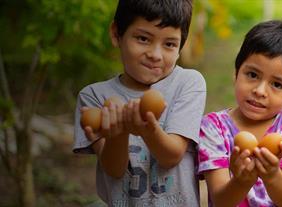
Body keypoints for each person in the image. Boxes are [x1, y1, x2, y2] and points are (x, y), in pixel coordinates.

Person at [72, 0, 206, 206]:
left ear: (180, 47)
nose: (155, 55)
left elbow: (171, 156)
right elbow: (114, 170)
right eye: (143, 38)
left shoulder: (187, 83)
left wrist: (148, 130)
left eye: (169, 44)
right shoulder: (94, 97)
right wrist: (118, 134)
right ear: (116, 33)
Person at [198, 18, 282, 207]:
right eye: (252, 75)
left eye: (277, 84)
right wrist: (241, 181)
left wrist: (272, 176)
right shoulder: (213, 127)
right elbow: (220, 200)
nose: (260, 91)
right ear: (236, 72)